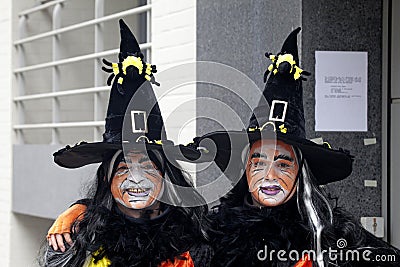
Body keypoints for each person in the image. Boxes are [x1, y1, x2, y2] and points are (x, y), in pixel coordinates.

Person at [195, 27, 400, 267]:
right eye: (259, 163)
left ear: (301, 173)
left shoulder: (335, 236)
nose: (269, 175)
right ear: (245, 171)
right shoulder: (210, 236)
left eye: (283, 164)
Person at [39, 19, 208, 267]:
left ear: (167, 175)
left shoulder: (197, 244)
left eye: (148, 167)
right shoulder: (76, 245)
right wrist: (86, 210)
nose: (136, 178)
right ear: (107, 180)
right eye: (123, 169)